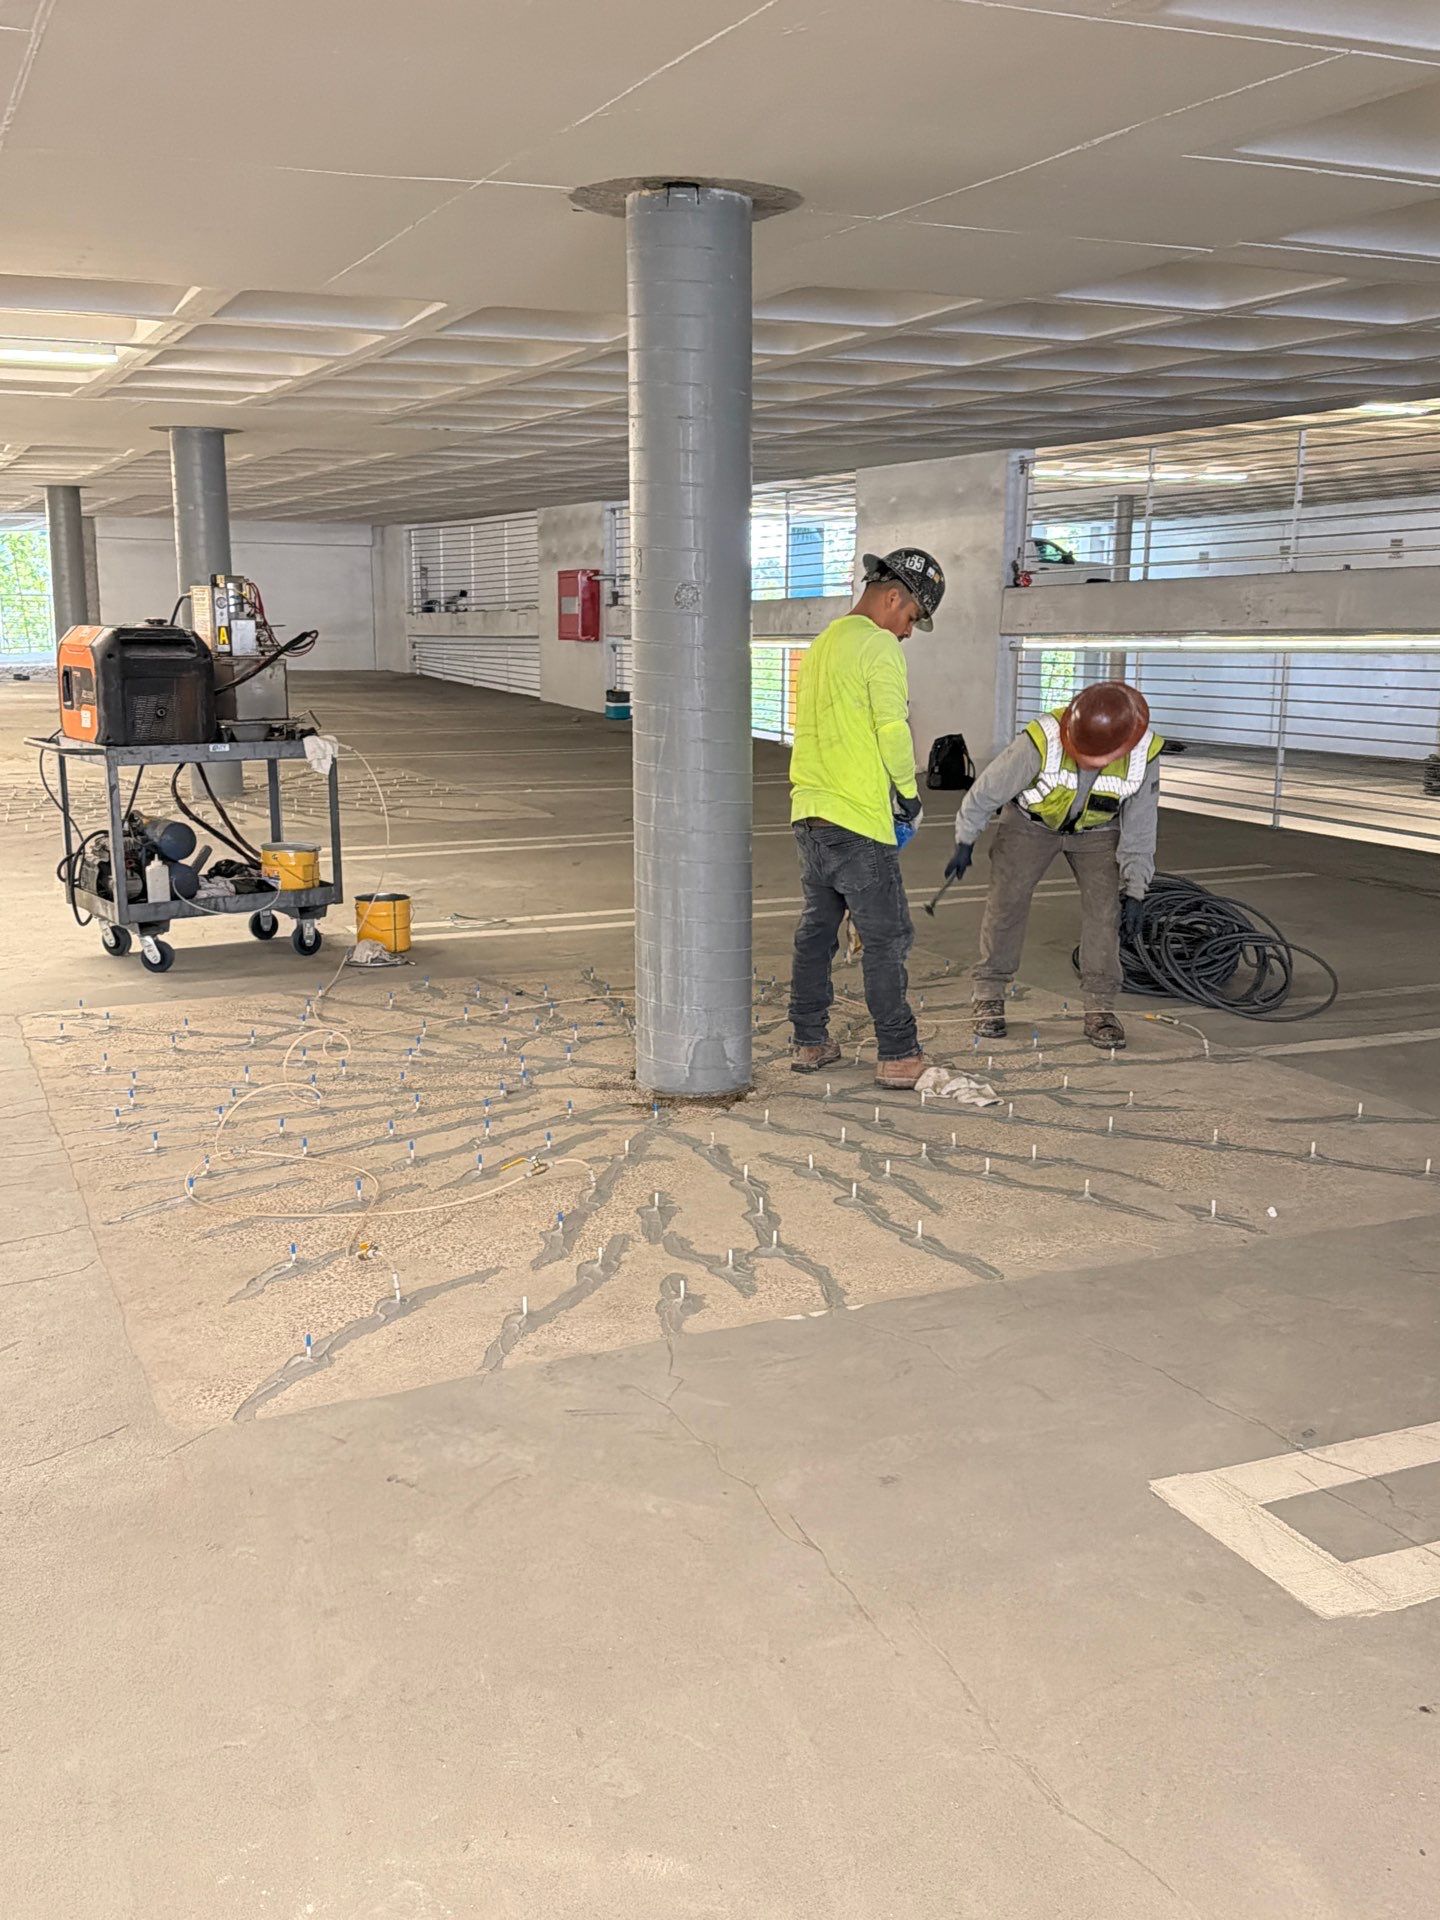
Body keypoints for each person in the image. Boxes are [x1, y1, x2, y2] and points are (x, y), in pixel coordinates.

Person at [787, 546, 946, 1089]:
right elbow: (892, 729)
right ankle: (899, 1053)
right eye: (912, 618)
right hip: (857, 821)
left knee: (817, 933)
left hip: (810, 816)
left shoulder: (823, 644)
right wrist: (909, 795)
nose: (907, 631)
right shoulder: (878, 645)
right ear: (893, 596)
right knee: (886, 938)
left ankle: (809, 1040)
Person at [944, 681, 1162, 1050]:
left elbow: (1141, 827)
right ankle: (989, 994)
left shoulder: (1144, 753)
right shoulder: (1041, 739)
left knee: (1105, 913)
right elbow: (986, 791)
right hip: (1029, 824)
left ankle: (1100, 1007)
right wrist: (966, 840)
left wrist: (1136, 889)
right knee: (1006, 903)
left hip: (1097, 831)